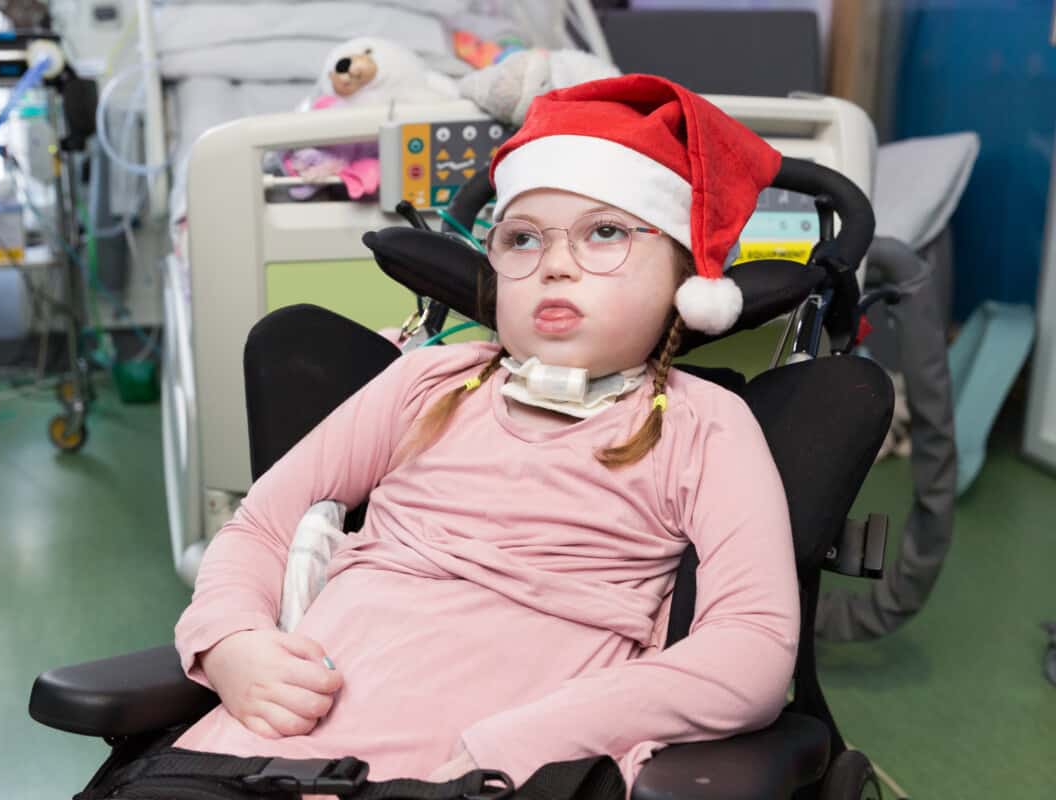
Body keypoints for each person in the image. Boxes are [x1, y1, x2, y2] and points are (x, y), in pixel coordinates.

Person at [173, 74, 800, 791]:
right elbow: (259, 527)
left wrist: (531, 738)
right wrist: (230, 640)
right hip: (265, 746)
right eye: (523, 239)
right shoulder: (425, 383)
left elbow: (750, 650)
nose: (555, 265)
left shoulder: (705, 425)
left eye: (605, 233)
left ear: (684, 283)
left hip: (489, 765)